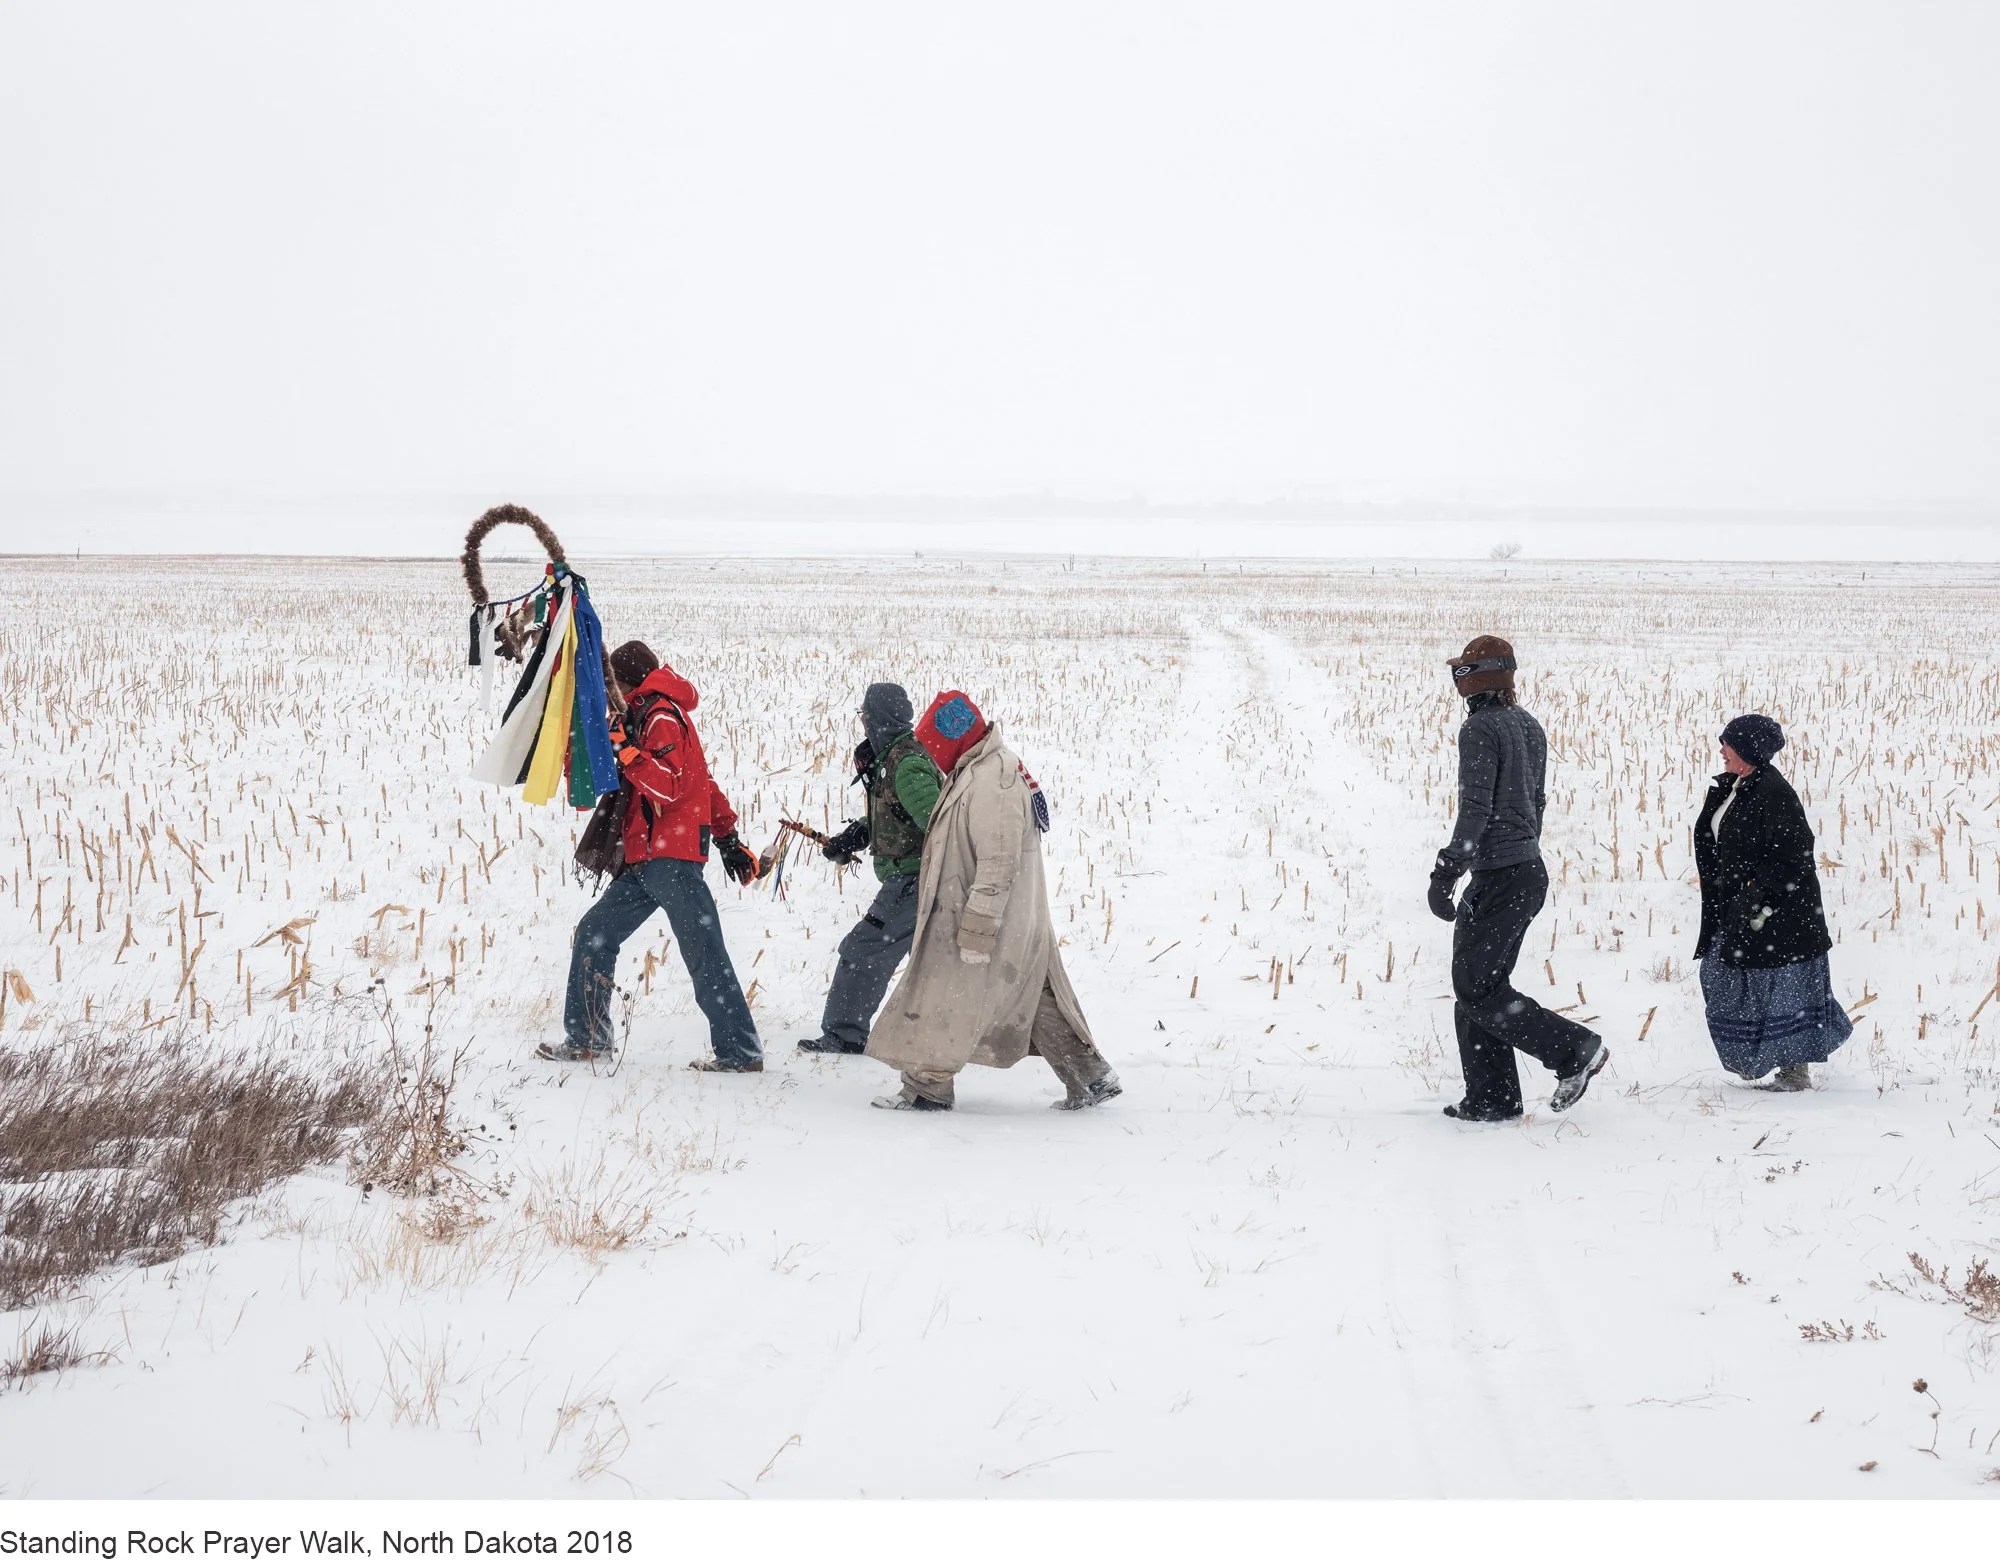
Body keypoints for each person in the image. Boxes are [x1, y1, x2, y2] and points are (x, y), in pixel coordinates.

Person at [864, 691, 1118, 1112]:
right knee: (1034, 995)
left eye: (936, 747)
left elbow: (999, 861)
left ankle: (927, 1088)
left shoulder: (992, 781)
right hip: (1006, 917)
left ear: (955, 739)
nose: (933, 757)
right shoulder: (981, 770)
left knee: (944, 993)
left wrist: (978, 926)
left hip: (984, 914)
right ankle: (1091, 1078)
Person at [538, 640, 764, 1071]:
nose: (610, 693)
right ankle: (588, 1039)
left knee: (704, 952)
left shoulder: (659, 715)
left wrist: (626, 751)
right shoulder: (641, 715)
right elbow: (703, 782)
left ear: (628, 682)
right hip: (644, 858)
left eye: (614, 685)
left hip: (671, 857)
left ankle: (741, 1052)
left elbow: (670, 785)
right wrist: (728, 837)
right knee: (594, 934)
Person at [1427, 635, 1609, 1121]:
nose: (1456, 682)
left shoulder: (1480, 730)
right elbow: (1538, 802)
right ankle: (1492, 1099)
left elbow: (1475, 809)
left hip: (1502, 875)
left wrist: (1446, 872)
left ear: (1476, 679)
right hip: (1522, 871)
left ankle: (1574, 1050)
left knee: (1477, 988)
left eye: (1462, 673)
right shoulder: (1527, 725)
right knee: (1477, 985)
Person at [1693, 714, 1851, 1090]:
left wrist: (1756, 901)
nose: (1721, 750)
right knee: (1724, 978)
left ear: (1747, 750)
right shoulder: (1737, 785)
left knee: (1784, 988)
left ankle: (1792, 1070)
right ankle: (1752, 1058)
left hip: (1781, 915)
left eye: (1727, 744)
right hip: (1741, 906)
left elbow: (1793, 858)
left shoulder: (1773, 793)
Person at [797, 682, 944, 1055]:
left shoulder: (906, 764)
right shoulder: (894, 756)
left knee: (862, 951)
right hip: (916, 878)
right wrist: (854, 837)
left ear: (878, 719)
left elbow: (940, 824)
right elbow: (898, 814)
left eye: (865, 714)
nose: (862, 721)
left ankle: (844, 1035)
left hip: (913, 881)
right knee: (940, 966)